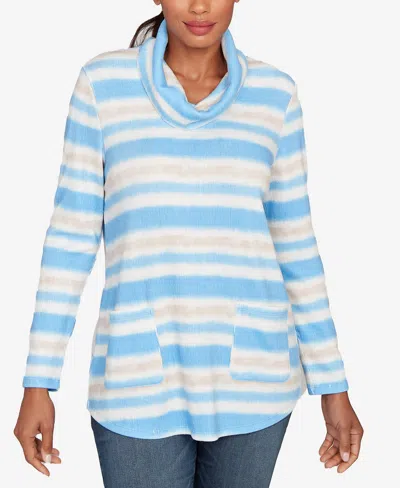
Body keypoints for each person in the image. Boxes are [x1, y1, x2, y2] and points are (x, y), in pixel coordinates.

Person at [14, 1, 364, 486]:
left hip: (253, 379)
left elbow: (296, 246)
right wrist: (39, 378)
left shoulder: (275, 96)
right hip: (136, 379)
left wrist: (332, 384)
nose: (200, 5)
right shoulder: (103, 86)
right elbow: (70, 239)